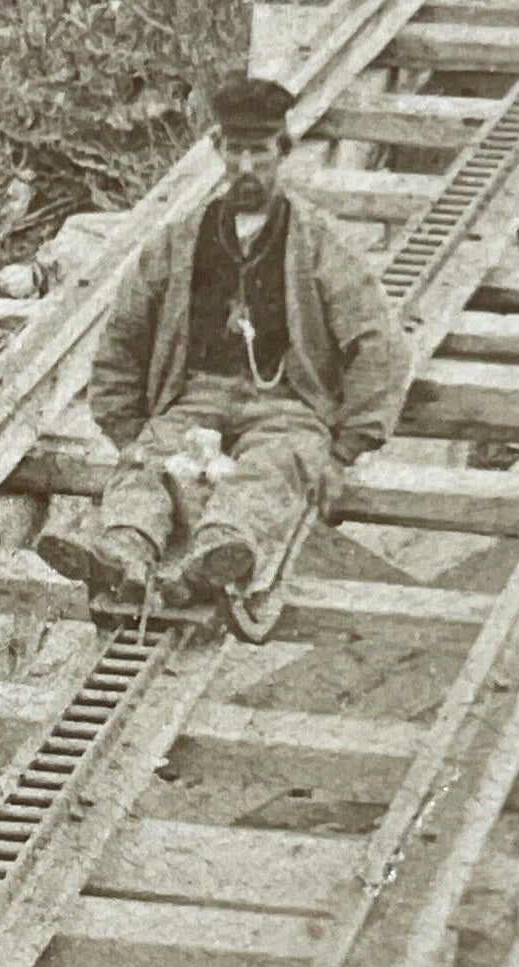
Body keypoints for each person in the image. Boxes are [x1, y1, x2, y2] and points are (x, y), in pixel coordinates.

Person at [38, 74, 410, 605]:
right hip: (196, 399)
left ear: (282, 152)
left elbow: (379, 346)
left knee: (273, 465)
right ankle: (123, 550)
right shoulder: (177, 241)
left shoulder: (318, 241)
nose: (247, 168)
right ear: (217, 149)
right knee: (149, 462)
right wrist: (129, 429)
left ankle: (220, 551)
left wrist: (345, 451)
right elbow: (123, 338)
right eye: (235, 152)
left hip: (287, 405)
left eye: (259, 152)